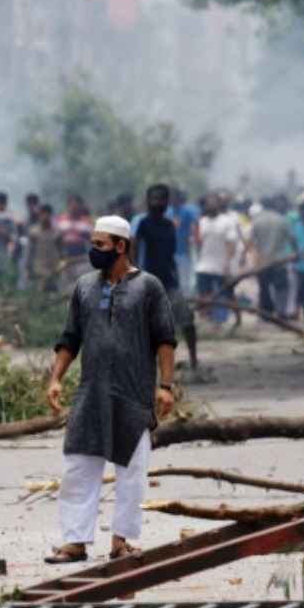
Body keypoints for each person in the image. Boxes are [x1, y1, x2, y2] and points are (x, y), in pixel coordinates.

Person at [44, 216, 176, 565]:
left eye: (100, 245)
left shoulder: (149, 287)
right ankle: (75, 542)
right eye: (92, 243)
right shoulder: (85, 287)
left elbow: (165, 339)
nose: (93, 250)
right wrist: (56, 378)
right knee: (78, 467)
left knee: (132, 473)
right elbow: (70, 337)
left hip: (132, 394)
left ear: (121, 246)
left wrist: (165, 386)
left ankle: (121, 541)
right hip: (90, 394)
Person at [134, 185, 198, 370]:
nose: (158, 203)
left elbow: (170, 256)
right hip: (147, 282)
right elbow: (134, 248)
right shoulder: (143, 224)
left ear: (167, 202)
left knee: (186, 319)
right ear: (147, 201)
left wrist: (176, 277)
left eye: (162, 199)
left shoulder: (169, 225)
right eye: (154, 199)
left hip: (169, 282)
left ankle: (194, 361)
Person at [194, 195, 239, 326]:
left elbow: (231, 244)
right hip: (203, 265)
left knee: (221, 295)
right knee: (204, 294)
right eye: (208, 204)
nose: (210, 206)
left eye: (213, 203)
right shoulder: (202, 222)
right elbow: (199, 243)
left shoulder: (227, 221)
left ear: (219, 205)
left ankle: (220, 321)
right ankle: (207, 320)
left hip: (221, 266)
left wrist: (227, 263)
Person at [248, 197, 296, 315]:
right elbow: (292, 238)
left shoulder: (257, 221)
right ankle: (281, 311)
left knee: (264, 287)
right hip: (279, 261)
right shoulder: (282, 220)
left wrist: (251, 259)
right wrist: (296, 251)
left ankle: (266, 312)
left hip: (262, 261)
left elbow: (251, 242)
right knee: (281, 288)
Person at [166, 189, 200, 296]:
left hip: (184, 252)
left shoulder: (188, 211)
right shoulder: (167, 211)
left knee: (185, 282)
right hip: (169, 253)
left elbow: (195, 226)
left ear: (179, 198)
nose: (172, 199)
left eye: (174, 197)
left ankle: (186, 304)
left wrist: (194, 239)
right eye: (171, 197)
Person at [27, 204, 62, 292]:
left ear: (50, 215)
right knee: (40, 293)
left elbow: (61, 250)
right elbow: (29, 251)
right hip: (39, 267)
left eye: (47, 214)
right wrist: (28, 268)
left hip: (53, 267)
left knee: (54, 292)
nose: (45, 216)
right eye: (43, 214)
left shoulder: (56, 232)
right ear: (39, 215)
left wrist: (60, 266)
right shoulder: (33, 232)